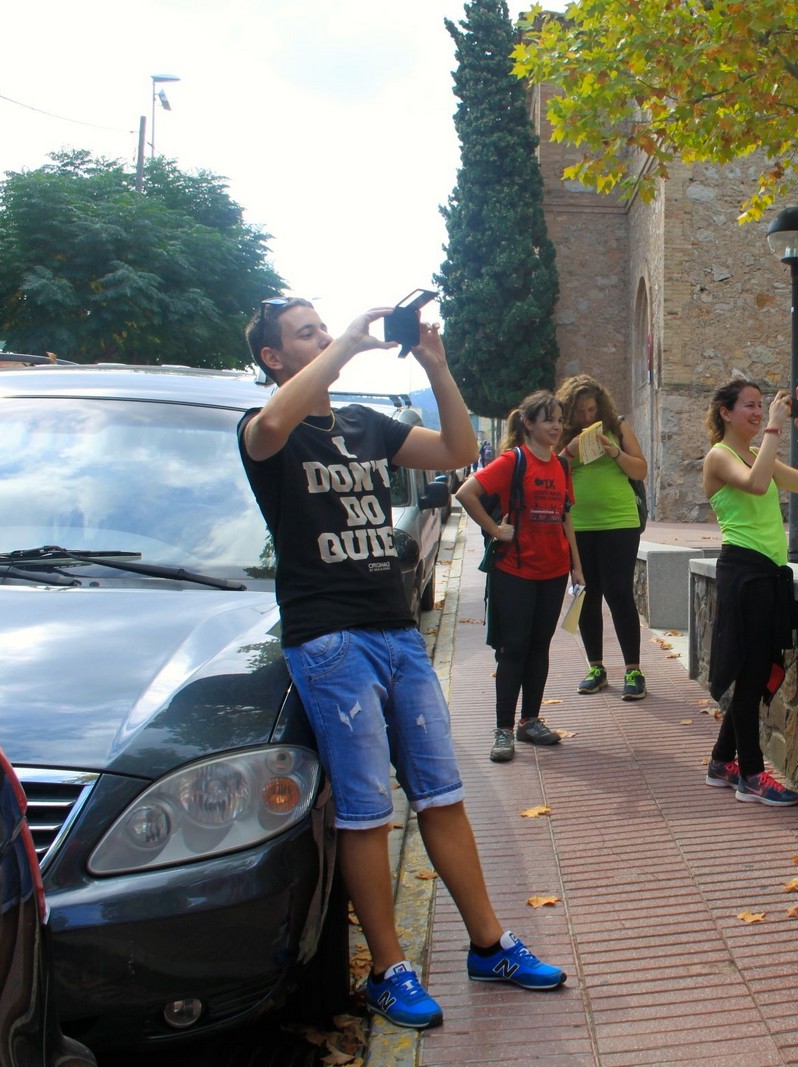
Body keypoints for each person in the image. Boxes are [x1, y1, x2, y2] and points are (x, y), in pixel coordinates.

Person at [238, 298, 565, 1032]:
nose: (325, 337)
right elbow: (269, 428)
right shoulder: (267, 430)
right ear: (273, 358)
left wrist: (436, 365)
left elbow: (455, 450)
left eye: (325, 327)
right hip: (329, 641)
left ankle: (489, 946)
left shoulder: (365, 424)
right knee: (366, 810)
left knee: (442, 794)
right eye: (306, 333)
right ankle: (388, 970)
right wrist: (350, 343)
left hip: (395, 631)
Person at [701, 378, 798, 806]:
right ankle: (750, 775)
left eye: (760, 405)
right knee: (750, 675)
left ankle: (721, 762)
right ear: (726, 412)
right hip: (744, 573)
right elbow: (754, 484)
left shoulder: (757, 454)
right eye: (749, 405)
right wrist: (773, 426)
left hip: (768, 574)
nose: (757, 412)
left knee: (757, 671)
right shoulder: (719, 456)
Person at [456, 392, 584, 763]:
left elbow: (565, 517)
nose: (556, 427)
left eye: (559, 419)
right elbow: (466, 493)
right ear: (528, 423)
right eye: (548, 420)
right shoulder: (514, 461)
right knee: (513, 648)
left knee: (540, 647)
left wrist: (576, 566)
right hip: (515, 571)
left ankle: (530, 721)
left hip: (554, 570)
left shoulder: (561, 466)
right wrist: (496, 530)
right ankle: (503, 730)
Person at [556, 374, 650, 700]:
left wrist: (615, 453)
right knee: (586, 594)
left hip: (619, 521)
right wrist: (568, 453)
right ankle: (595, 668)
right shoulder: (562, 434)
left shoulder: (617, 426)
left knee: (619, 592)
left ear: (601, 406)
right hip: (579, 525)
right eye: (580, 411)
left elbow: (640, 469)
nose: (586, 417)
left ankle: (633, 670)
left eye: (592, 409)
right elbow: (549, 471)